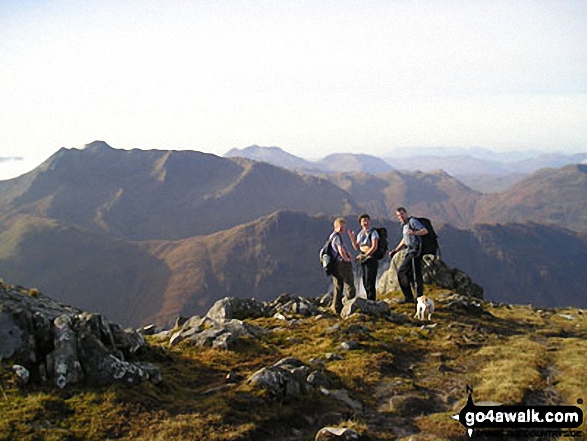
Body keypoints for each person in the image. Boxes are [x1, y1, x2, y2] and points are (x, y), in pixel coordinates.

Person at [388, 207, 428, 303]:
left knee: (403, 272)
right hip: (410, 250)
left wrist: (414, 232)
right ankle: (414, 297)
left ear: (406, 213)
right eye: (398, 215)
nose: (400, 216)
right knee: (410, 274)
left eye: (402, 214)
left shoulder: (412, 221)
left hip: (416, 250)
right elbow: (405, 239)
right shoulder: (404, 225)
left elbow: (425, 230)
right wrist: (396, 250)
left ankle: (413, 297)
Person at [349, 213, 379, 301]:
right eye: (363, 221)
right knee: (365, 279)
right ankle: (368, 298)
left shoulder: (373, 233)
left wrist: (365, 255)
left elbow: (374, 246)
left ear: (369, 222)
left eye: (366, 220)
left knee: (370, 279)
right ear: (360, 223)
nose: (365, 222)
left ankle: (372, 299)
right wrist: (352, 238)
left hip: (371, 257)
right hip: (364, 258)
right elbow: (357, 247)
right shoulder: (360, 234)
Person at [329, 217, 356, 314]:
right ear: (335, 227)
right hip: (342, 264)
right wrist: (346, 259)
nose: (342, 229)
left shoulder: (333, 237)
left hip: (335, 265)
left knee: (338, 286)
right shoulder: (337, 237)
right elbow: (340, 249)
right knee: (349, 283)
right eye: (341, 227)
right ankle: (350, 305)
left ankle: (337, 307)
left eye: (343, 227)